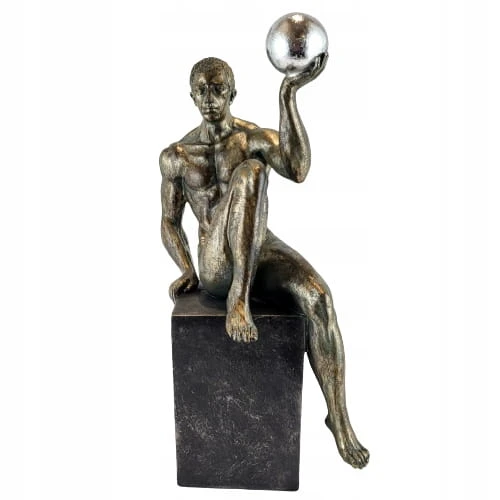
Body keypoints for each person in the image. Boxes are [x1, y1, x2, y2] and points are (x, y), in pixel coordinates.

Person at [160, 56, 369, 468]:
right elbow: (169, 221)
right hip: (217, 266)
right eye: (201, 91)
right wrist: (186, 268)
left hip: (262, 249)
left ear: (233, 93)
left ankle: (339, 419)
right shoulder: (178, 155)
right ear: (191, 96)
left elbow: (297, 167)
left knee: (319, 298)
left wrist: (288, 95)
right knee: (251, 173)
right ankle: (238, 299)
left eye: (218, 90)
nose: (210, 99)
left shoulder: (249, 138)